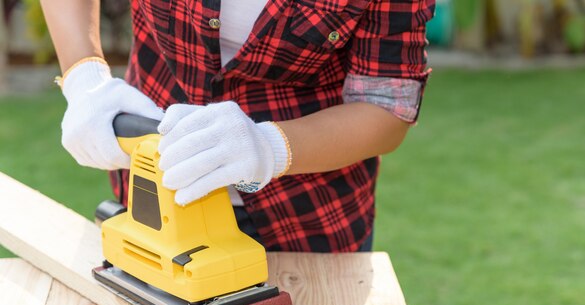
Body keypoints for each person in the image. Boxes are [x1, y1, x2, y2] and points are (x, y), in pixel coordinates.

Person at [40, 0, 435, 253]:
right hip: (157, 188)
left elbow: (384, 107)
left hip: (308, 214)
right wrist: (83, 77)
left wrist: (267, 149)